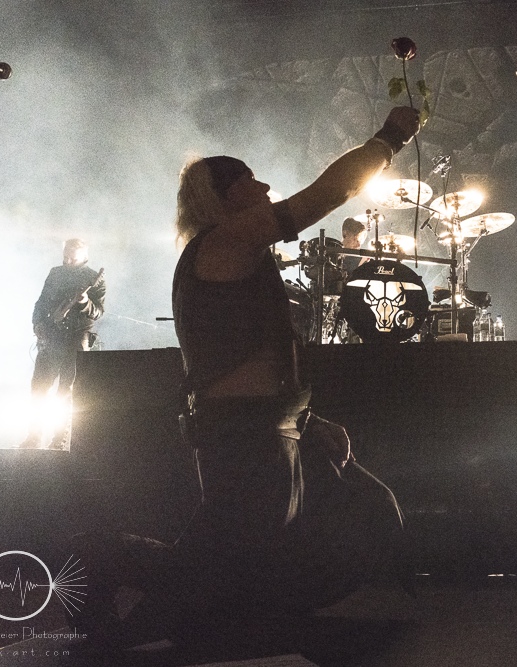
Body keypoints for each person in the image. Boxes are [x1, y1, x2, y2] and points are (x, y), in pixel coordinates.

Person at [73, 105, 420, 646]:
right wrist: (390, 138)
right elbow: (328, 194)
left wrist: (309, 421)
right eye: (250, 180)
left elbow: (263, 353)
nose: (263, 188)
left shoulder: (237, 250)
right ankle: (99, 565)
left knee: (260, 556)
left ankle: (145, 612)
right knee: (224, 566)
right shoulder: (224, 242)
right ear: (226, 194)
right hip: (243, 433)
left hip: (269, 426)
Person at [20, 238, 105, 449]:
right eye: (65, 256)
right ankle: (33, 437)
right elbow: (41, 302)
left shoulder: (94, 278)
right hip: (51, 335)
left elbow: (98, 312)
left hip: (77, 337)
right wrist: (37, 323)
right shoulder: (55, 273)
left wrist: (85, 302)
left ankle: (59, 440)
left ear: (84, 257)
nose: (67, 261)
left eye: (72, 258)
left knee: (66, 389)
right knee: (39, 386)